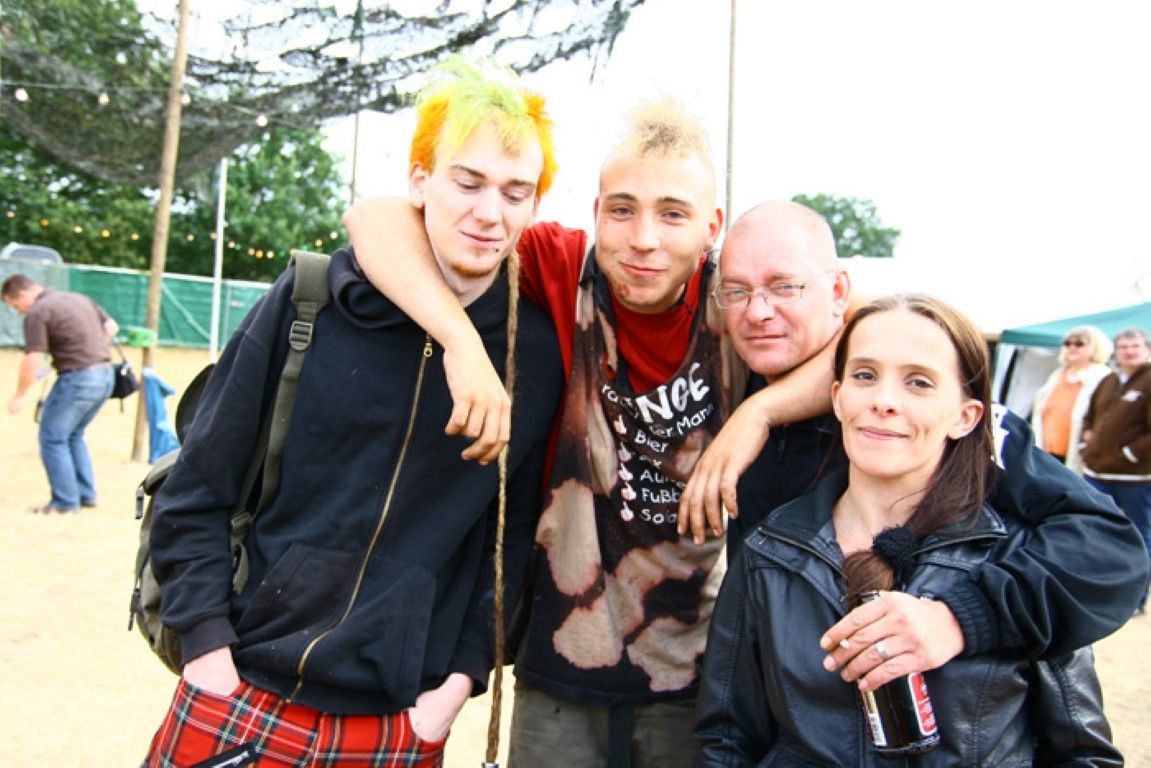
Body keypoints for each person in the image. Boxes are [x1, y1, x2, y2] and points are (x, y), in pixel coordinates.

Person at [344, 101, 839, 767]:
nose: (643, 239)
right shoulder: (565, 265)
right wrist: (459, 342)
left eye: (673, 214)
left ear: (711, 227)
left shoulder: (738, 301)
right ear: (597, 211)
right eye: (623, 210)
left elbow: (865, 335)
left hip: (695, 674)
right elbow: (371, 219)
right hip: (558, 663)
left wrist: (758, 412)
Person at [142, 57, 563, 766]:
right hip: (238, 691)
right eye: (468, 182)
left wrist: (456, 686)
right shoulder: (309, 302)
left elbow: (507, 542)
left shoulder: (536, 357)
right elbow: (199, 484)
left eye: (515, 192)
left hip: (401, 718)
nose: (490, 212)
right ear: (420, 182)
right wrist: (207, 650)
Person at [680, 200, 1148, 694]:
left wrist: (959, 617)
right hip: (786, 718)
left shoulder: (930, 418)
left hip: (937, 719)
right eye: (737, 291)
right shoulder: (726, 390)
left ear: (838, 292)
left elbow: (1109, 551)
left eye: (784, 287)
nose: (757, 311)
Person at [694, 293, 1123, 766]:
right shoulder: (768, 555)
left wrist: (960, 620)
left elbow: (1082, 754)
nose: (883, 401)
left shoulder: (1019, 558)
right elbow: (728, 741)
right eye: (864, 375)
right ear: (836, 398)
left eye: (919, 383)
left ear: (965, 417)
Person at [2, 273, 117, 513]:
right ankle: (85, 495)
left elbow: (33, 359)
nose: (19, 312)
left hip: (78, 378)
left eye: (15, 306)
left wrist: (19, 396)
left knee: (53, 438)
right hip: (105, 374)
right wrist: (89, 348)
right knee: (74, 435)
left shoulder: (38, 311)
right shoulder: (79, 298)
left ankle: (65, 502)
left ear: (21, 295)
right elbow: (111, 327)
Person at [1081, 326, 1151, 615]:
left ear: (1147, 349)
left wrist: (1130, 454)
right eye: (1123, 347)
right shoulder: (1109, 380)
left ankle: (1134, 598)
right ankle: (1095, 591)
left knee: (1138, 538)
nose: (1128, 352)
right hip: (1096, 472)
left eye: (1134, 346)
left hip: (1135, 477)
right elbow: (1090, 416)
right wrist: (1086, 440)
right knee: (1091, 532)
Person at [1030, 324, 1112, 471]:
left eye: (1079, 344)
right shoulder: (1057, 375)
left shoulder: (1103, 376)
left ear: (1095, 347)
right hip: (1047, 452)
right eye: (1068, 343)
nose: (1072, 348)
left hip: (1079, 455)